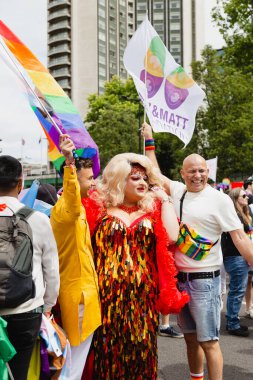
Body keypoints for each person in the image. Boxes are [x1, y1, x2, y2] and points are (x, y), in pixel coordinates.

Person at [141, 122, 253, 380]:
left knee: (209, 342)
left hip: (206, 281)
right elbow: (154, 173)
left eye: (202, 170)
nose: (198, 175)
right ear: (183, 173)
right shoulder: (179, 192)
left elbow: (238, 237)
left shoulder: (220, 199)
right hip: (179, 281)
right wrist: (149, 140)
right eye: (192, 171)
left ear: (208, 172)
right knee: (190, 340)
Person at [81, 149, 189, 380]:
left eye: (145, 178)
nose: (142, 182)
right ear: (120, 179)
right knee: (107, 354)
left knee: (141, 352)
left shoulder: (152, 210)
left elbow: (172, 236)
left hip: (143, 298)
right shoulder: (98, 209)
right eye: (135, 177)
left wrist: (165, 199)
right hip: (106, 298)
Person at [0, 155, 59, 380]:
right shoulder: (36, 218)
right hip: (26, 309)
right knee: (20, 371)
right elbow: (51, 270)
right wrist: (48, 305)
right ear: (20, 183)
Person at [50, 135, 101, 379]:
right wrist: (70, 161)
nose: (94, 183)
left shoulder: (77, 208)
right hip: (79, 299)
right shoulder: (67, 209)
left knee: (75, 361)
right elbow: (71, 193)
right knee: (73, 365)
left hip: (84, 298)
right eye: (90, 178)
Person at [221, 188, 252, 336]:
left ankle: (233, 321)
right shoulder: (233, 216)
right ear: (235, 198)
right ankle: (232, 324)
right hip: (236, 256)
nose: (247, 197)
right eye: (243, 196)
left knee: (238, 289)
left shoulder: (243, 214)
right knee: (237, 290)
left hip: (241, 256)